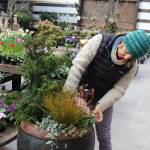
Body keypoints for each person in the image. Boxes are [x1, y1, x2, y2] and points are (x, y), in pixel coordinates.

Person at [63, 30, 150, 150]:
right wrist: (70, 96)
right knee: (72, 129)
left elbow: (119, 89)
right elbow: (77, 67)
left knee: (104, 135)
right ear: (123, 42)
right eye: (128, 51)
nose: (128, 57)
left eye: (133, 56)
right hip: (80, 92)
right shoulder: (100, 41)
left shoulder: (132, 65)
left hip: (104, 98)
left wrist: (100, 106)